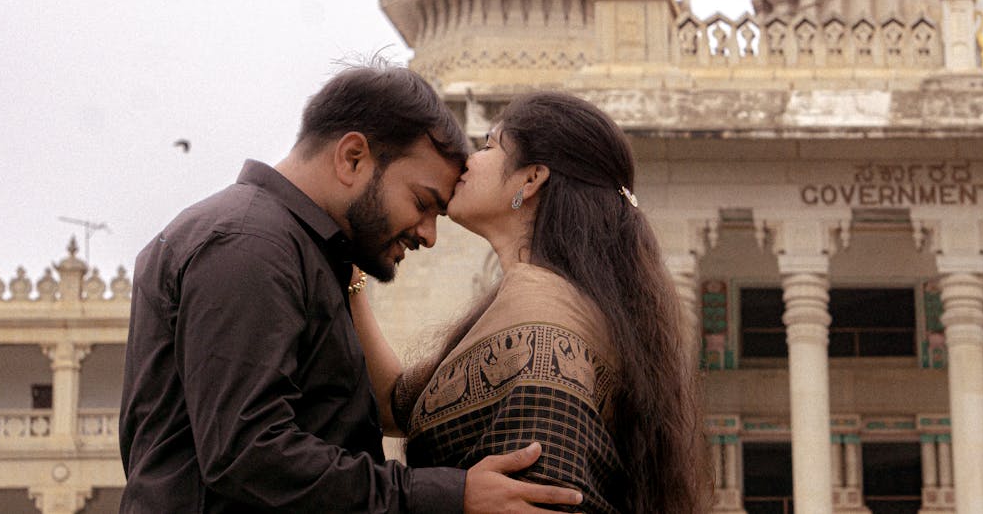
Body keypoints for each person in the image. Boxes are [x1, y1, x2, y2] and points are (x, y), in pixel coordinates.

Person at [119, 65, 584, 513]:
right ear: (352, 158)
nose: (428, 235)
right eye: (422, 203)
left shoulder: (295, 250)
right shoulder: (248, 245)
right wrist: (449, 496)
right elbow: (249, 453)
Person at [351, 92, 712, 513]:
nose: (469, 160)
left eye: (489, 146)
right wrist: (353, 277)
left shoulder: (541, 319)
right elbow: (394, 404)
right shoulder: (544, 299)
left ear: (530, 179)